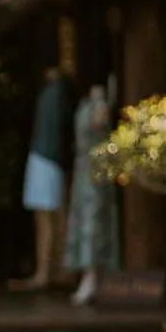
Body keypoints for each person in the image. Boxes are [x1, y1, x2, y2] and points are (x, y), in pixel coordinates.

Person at [11, 66, 71, 293]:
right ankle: (52, 271)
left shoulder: (55, 93)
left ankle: (48, 272)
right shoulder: (56, 94)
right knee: (52, 216)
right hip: (46, 158)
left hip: (46, 158)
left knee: (48, 217)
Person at [64, 81, 121, 305]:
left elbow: (100, 123)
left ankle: (93, 276)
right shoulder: (85, 104)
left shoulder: (98, 104)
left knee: (94, 221)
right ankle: (88, 276)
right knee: (84, 220)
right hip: (84, 170)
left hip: (95, 171)